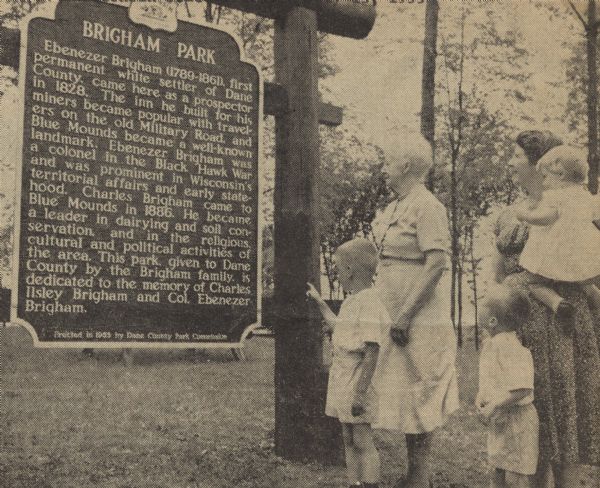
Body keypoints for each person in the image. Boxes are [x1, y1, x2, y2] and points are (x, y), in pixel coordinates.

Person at [493, 130, 600, 487]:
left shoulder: (556, 208)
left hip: (558, 321)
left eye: (517, 156)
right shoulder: (517, 212)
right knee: (533, 415)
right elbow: (498, 270)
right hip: (525, 318)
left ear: (542, 167)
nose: (511, 163)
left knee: (566, 409)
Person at [371, 138, 459, 488]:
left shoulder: (428, 206)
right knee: (404, 390)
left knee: (422, 389)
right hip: (393, 309)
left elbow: (437, 263)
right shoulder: (396, 206)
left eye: (387, 161)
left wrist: (405, 315)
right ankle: (413, 476)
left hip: (419, 315)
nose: (383, 168)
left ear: (405, 166)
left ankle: (419, 478)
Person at [306, 238, 390, 488]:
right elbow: (340, 330)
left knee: (362, 438)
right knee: (348, 437)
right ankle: (355, 482)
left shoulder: (370, 303)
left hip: (357, 380)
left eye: (338, 268)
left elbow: (372, 350)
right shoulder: (352, 301)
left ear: (350, 271)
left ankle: (370, 484)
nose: (337, 274)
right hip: (342, 378)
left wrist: (360, 393)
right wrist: (320, 303)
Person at [516, 145, 600, 331]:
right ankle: (597, 299)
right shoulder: (587, 196)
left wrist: (525, 216)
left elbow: (546, 218)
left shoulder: (555, 195)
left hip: (557, 252)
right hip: (581, 256)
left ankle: (557, 303)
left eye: (545, 177)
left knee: (533, 281)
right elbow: (597, 219)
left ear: (560, 175)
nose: (544, 183)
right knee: (585, 284)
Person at [477, 285, 539, 488]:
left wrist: (495, 404)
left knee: (517, 472)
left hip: (518, 422)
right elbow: (489, 379)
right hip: (502, 419)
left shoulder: (512, 348)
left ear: (492, 320)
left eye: (483, 305)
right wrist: (482, 398)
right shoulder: (492, 345)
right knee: (497, 466)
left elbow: (523, 389)